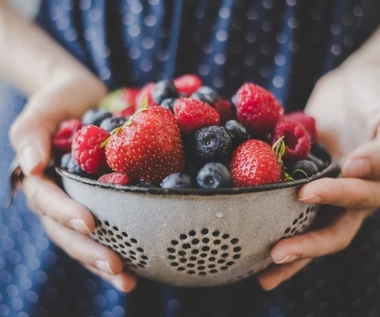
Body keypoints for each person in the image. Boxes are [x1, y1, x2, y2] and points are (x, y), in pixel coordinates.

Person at [1, 1, 380, 316]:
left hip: (319, 74)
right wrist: (50, 75)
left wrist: (369, 69)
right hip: (79, 88)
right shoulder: (117, 134)